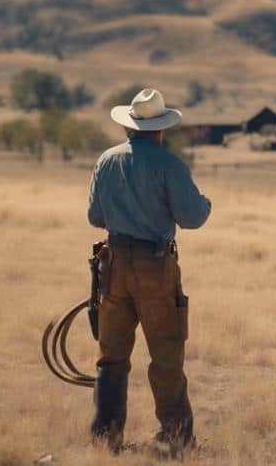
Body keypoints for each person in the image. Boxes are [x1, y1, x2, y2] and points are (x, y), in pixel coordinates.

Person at [87, 88, 212, 453]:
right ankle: (177, 437)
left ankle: (105, 438)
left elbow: (95, 216)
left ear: (129, 126)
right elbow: (193, 216)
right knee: (166, 355)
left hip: (113, 266)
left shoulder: (106, 161)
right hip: (155, 266)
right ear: (160, 129)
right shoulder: (168, 164)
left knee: (111, 357)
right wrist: (205, 204)